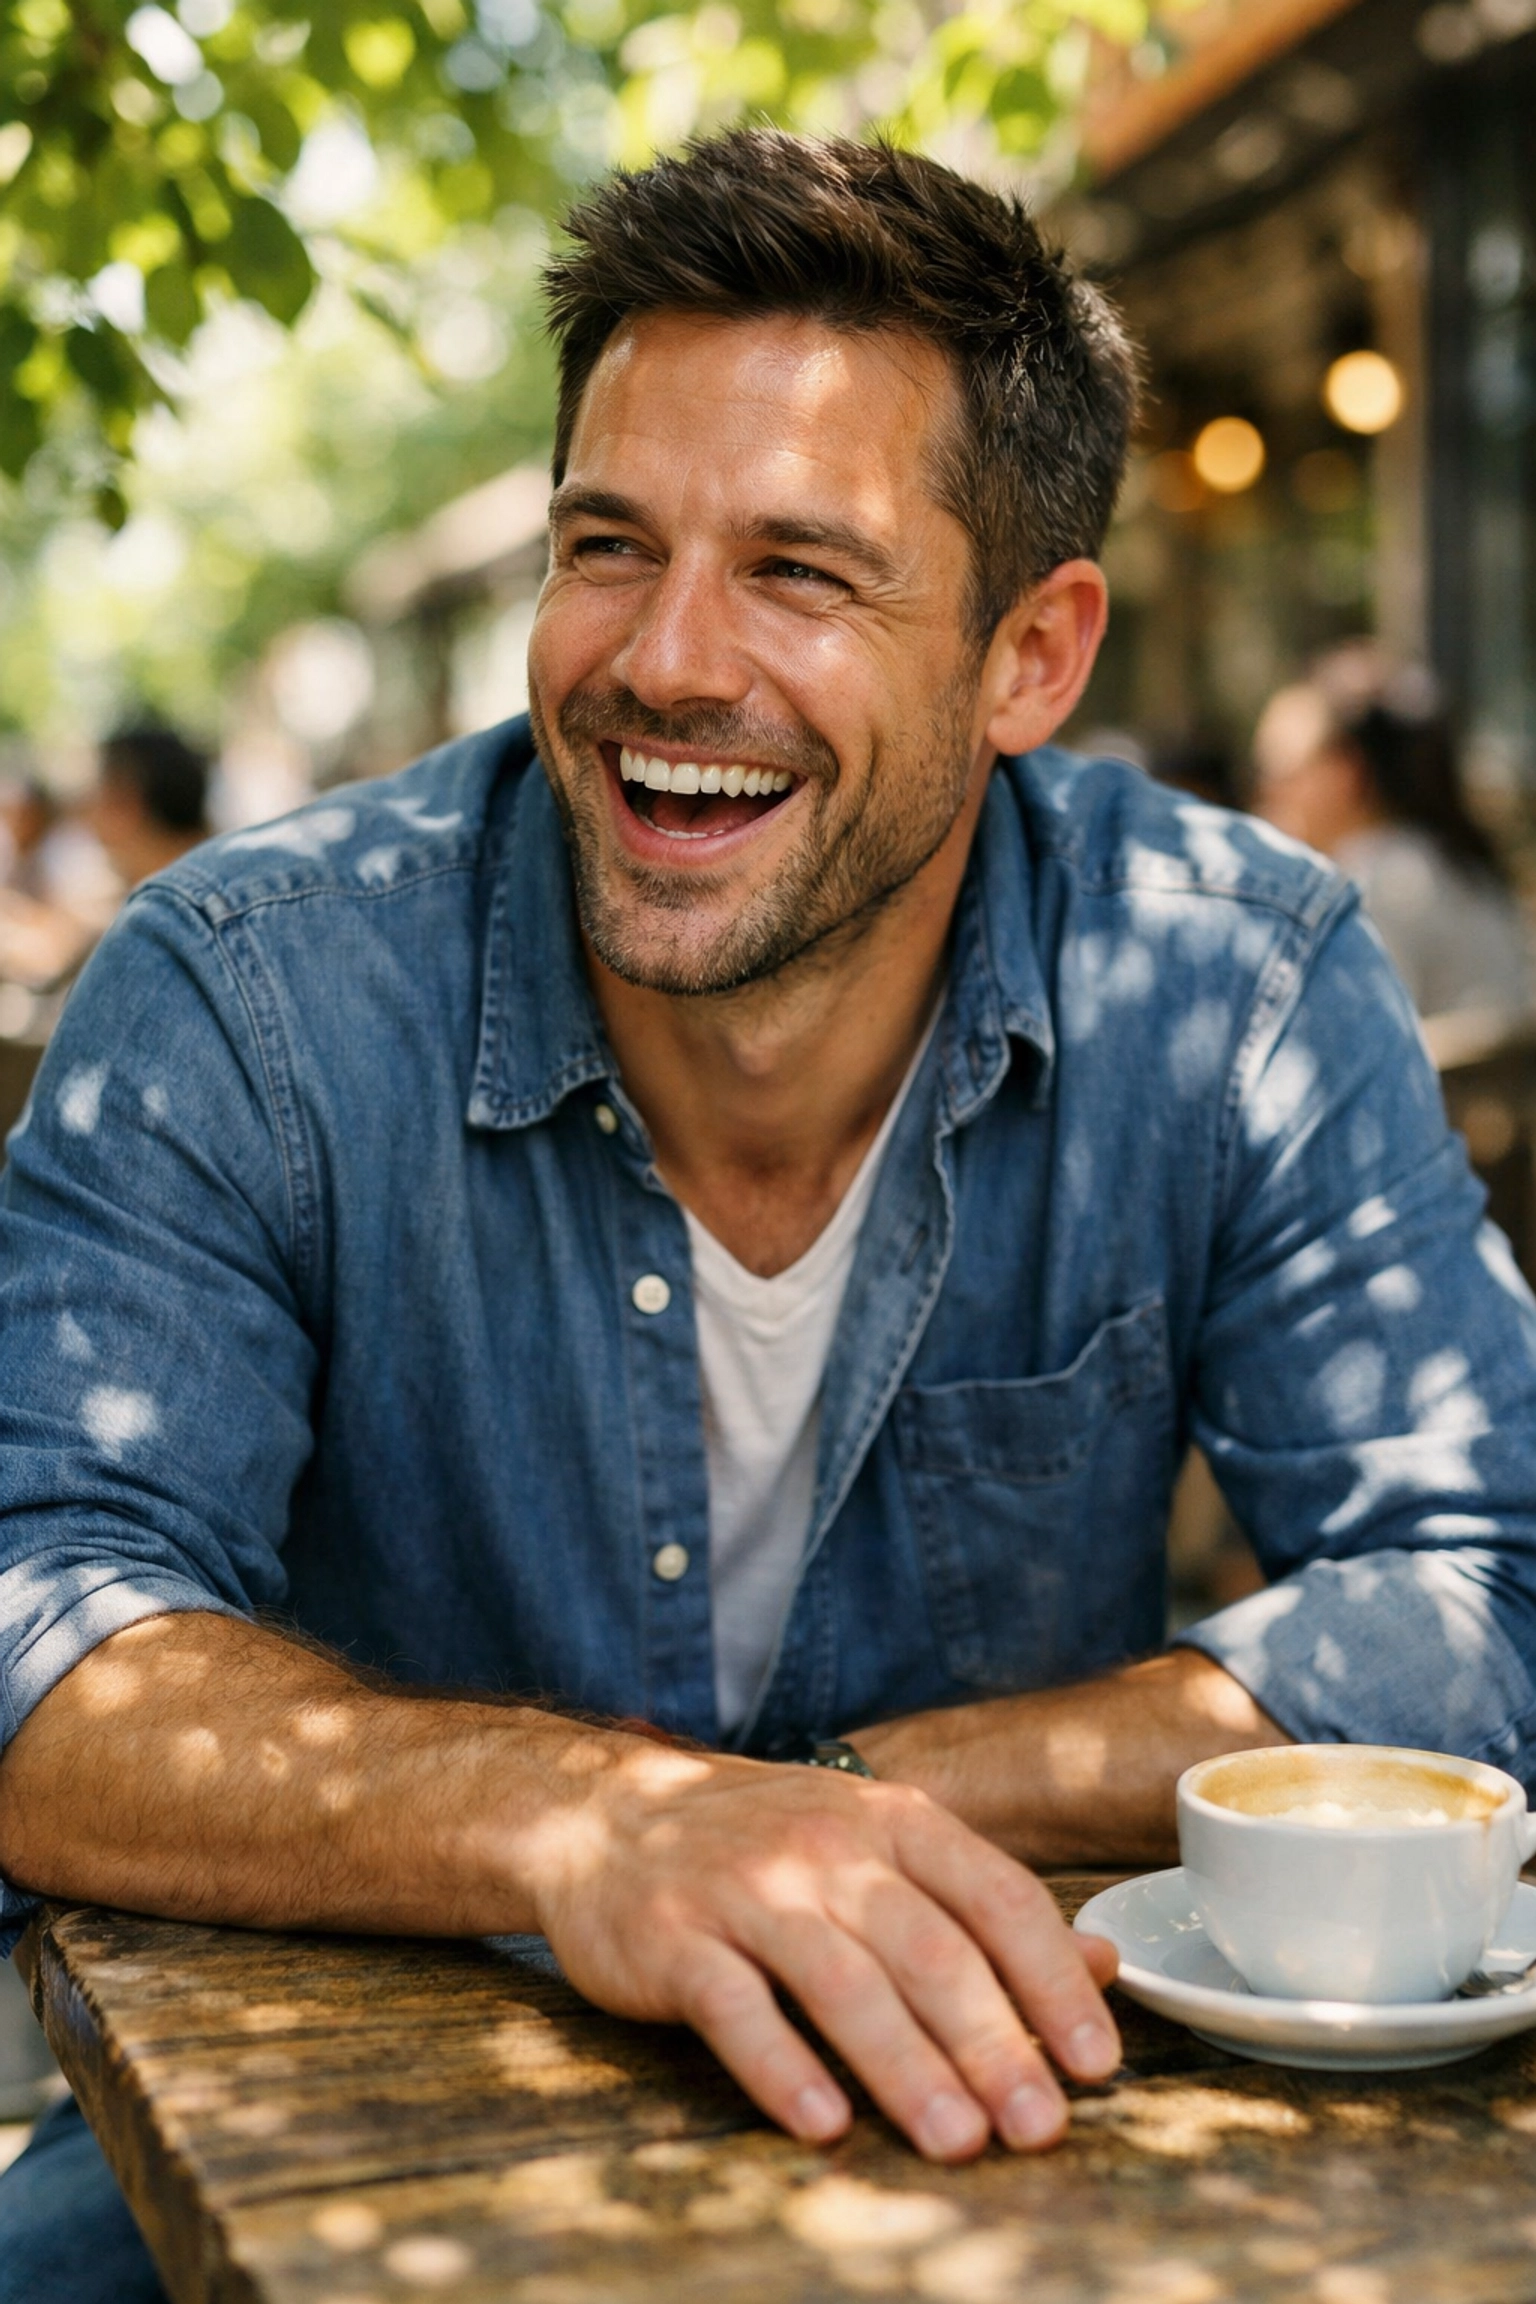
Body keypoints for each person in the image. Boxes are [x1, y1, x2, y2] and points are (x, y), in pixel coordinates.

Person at [4, 132, 1536, 2302]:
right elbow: (39, 1643)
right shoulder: (241, 996)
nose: (665, 662)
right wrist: (587, 1826)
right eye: (608, 544)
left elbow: (1494, 1586)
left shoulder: (1237, 979)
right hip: (305, 2132)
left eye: (802, 574)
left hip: (1004, 2106)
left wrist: (827, 1798)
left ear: (1031, 655)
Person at [1252, 648, 1533, 1019]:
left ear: (1345, 773)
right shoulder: (1439, 862)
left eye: (1282, 770)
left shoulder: (1381, 887)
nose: (1265, 791)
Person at [88, 722, 212, 891]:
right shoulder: (218, 873)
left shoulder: (168, 901)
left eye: (98, 792)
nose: (91, 814)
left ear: (125, 802)